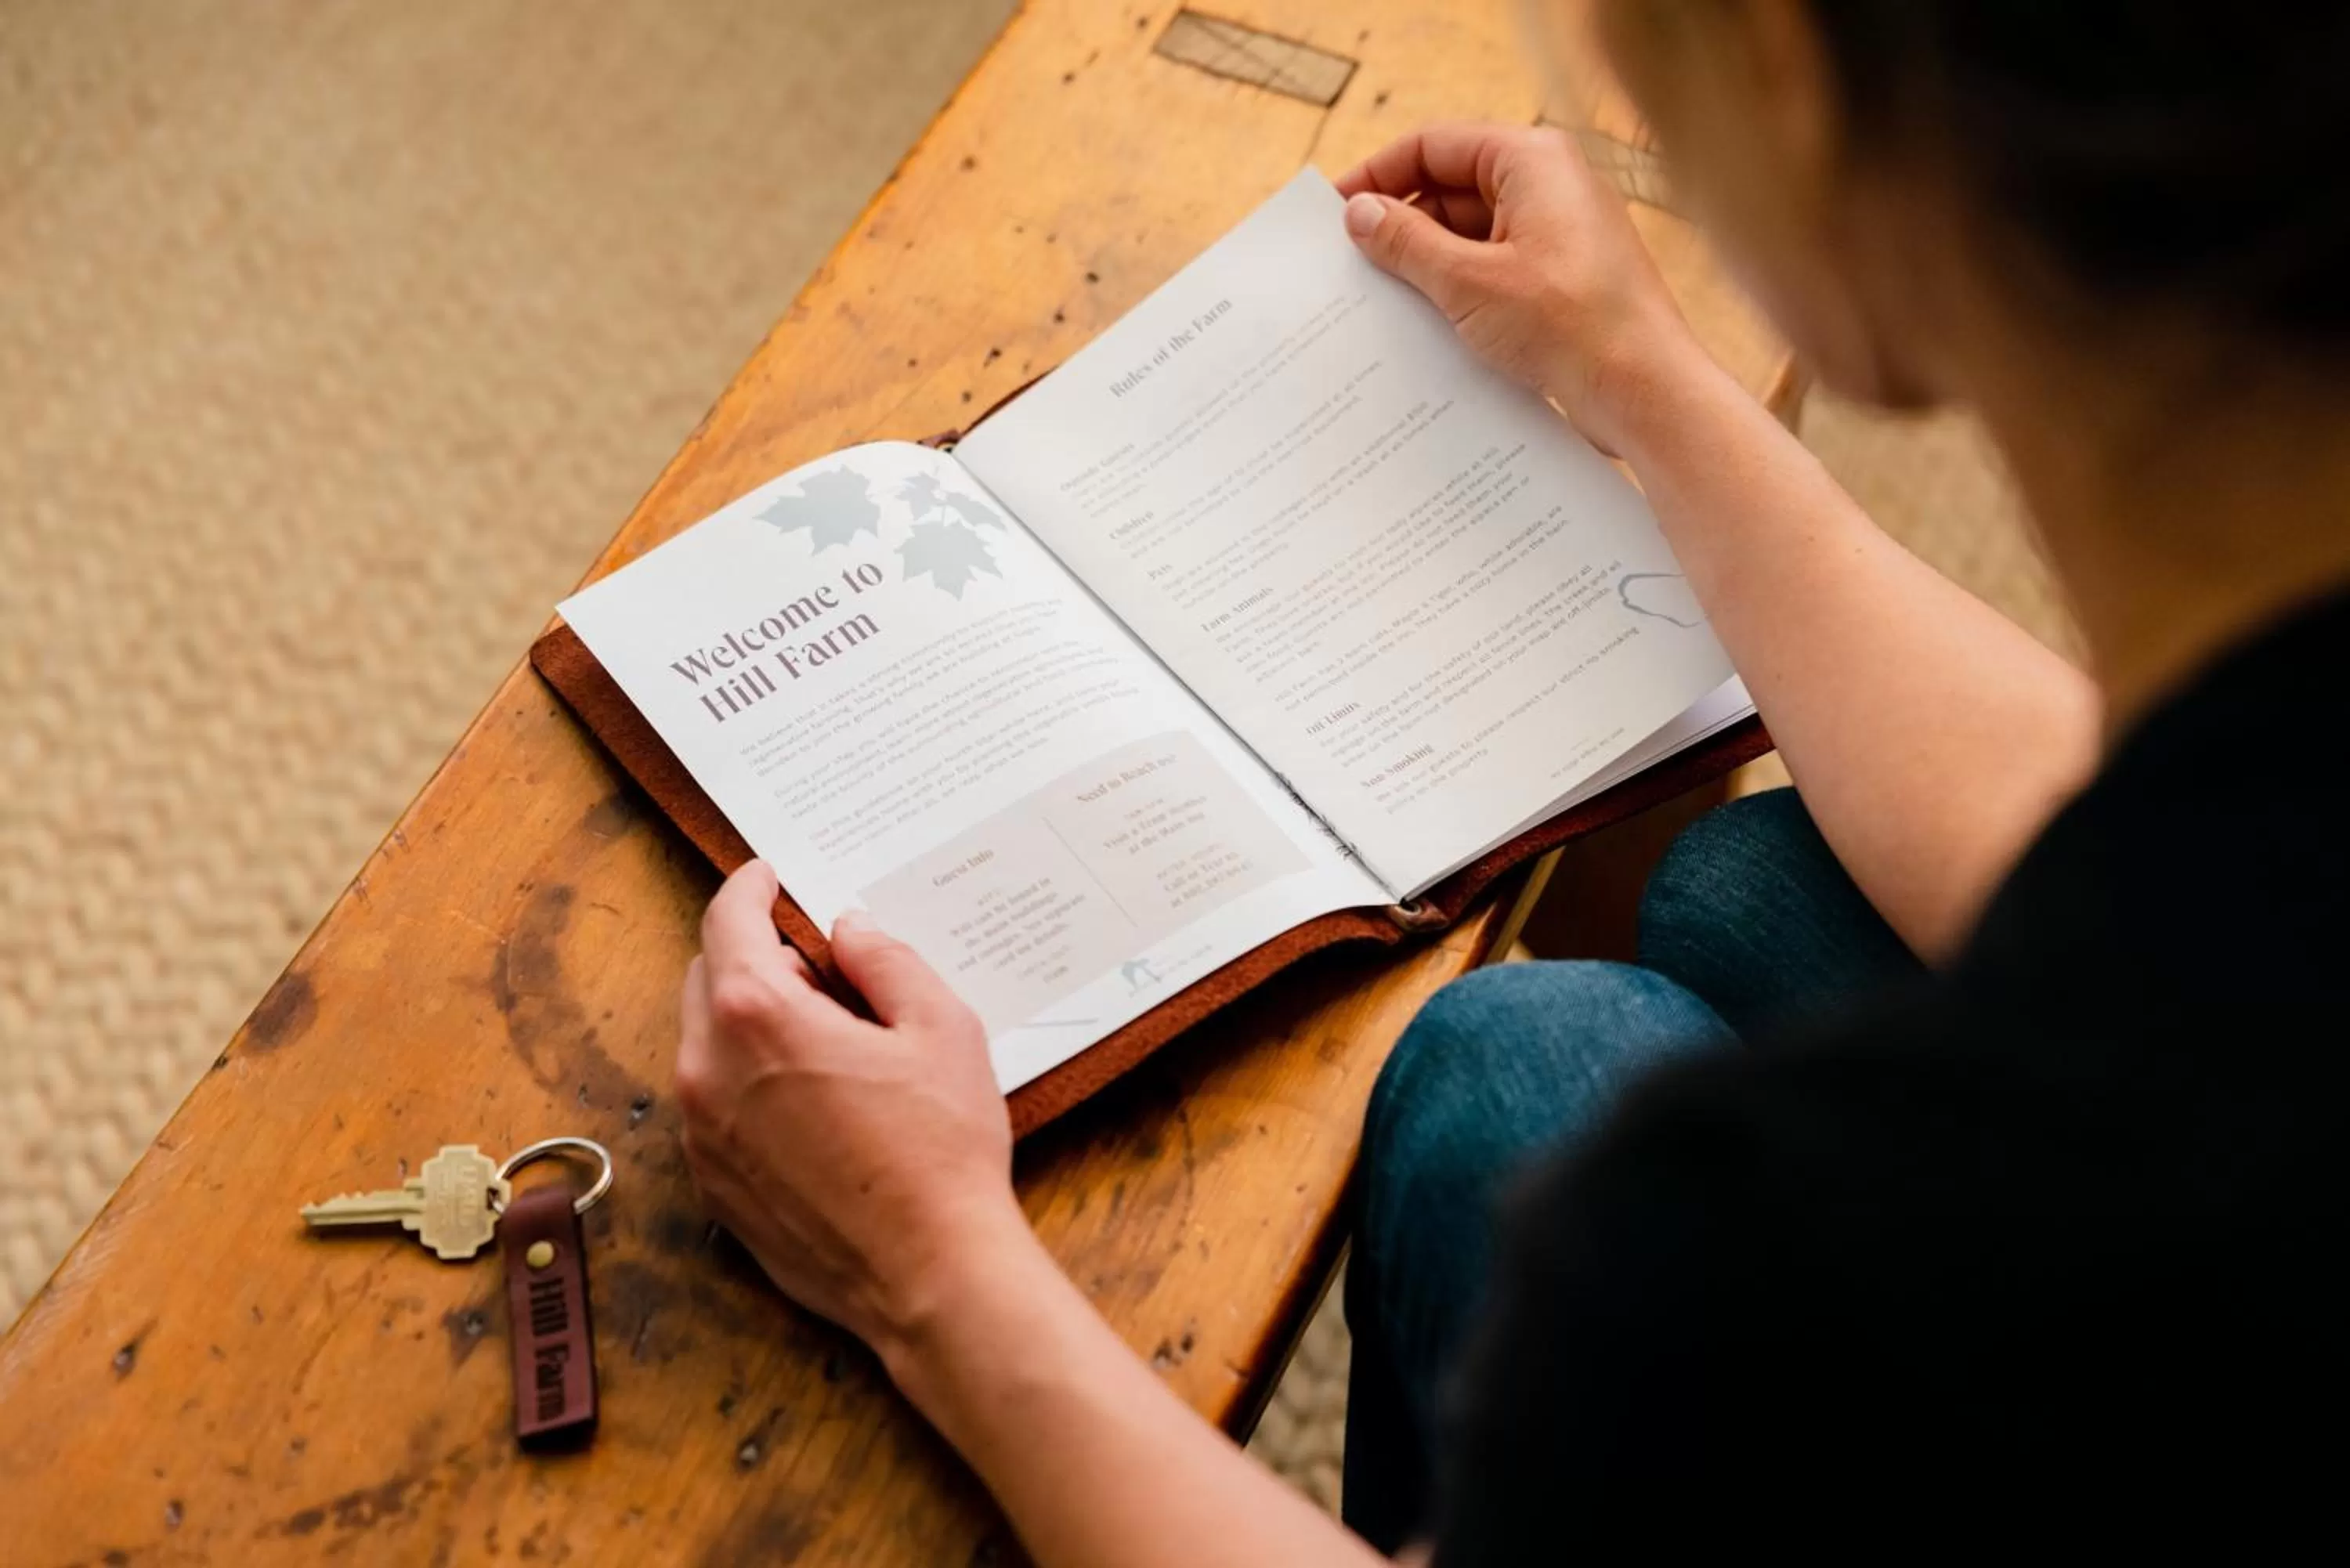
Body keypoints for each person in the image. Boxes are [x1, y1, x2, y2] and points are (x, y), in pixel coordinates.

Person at [674, 0, 2350, 1557]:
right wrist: (1641, 375)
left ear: (1789, 77)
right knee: (1746, 884)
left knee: (1529, 1067)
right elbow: (2105, 845)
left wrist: (930, 1274)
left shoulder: (1759, 1261)